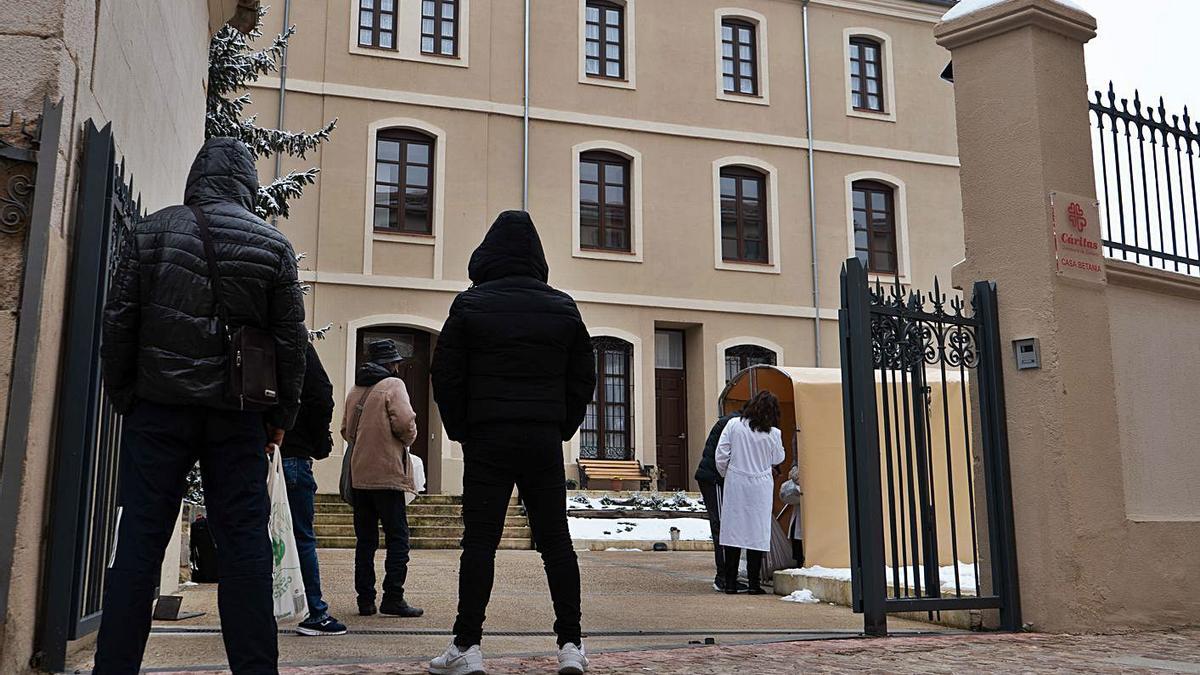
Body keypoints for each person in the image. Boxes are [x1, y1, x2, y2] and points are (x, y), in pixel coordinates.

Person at [97, 137, 307, 674]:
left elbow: (119, 323)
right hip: (236, 415)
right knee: (245, 551)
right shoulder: (271, 246)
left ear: (197, 179)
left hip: (159, 409)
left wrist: (129, 397)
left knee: (139, 548)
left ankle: (114, 667)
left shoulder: (152, 232)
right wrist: (279, 421)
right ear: (248, 185)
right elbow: (289, 345)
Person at [429, 211, 596, 675]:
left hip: (487, 437)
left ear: (489, 253)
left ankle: (467, 646)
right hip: (542, 437)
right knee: (556, 542)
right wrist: (562, 425)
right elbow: (584, 377)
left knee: (479, 542)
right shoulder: (563, 308)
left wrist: (463, 427)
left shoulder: (469, 305)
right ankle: (570, 645)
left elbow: (445, 374)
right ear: (537, 257)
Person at [341, 339, 424, 619]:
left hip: (360, 475)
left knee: (365, 542)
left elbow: (345, 430)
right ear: (392, 363)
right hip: (387, 474)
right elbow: (404, 423)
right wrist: (407, 440)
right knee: (398, 538)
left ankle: (365, 601)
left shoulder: (356, 389)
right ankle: (393, 598)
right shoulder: (394, 385)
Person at [281, 341, 347, 636]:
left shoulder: (241, 335)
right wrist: (319, 442)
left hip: (249, 453)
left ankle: (249, 612)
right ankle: (315, 612)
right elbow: (322, 396)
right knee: (301, 537)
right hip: (293, 452)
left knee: (249, 535)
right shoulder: (296, 346)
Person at [716, 391, 786, 596]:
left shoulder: (734, 425)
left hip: (737, 481)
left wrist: (725, 474)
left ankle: (730, 582)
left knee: (733, 532)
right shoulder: (773, 433)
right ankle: (754, 583)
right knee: (757, 533)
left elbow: (721, 454)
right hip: (761, 484)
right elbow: (778, 457)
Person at [694, 412, 749, 593]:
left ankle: (726, 576)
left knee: (725, 526)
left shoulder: (733, 422)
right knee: (723, 527)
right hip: (715, 479)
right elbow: (722, 457)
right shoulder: (734, 425)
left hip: (715, 479)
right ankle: (723, 578)